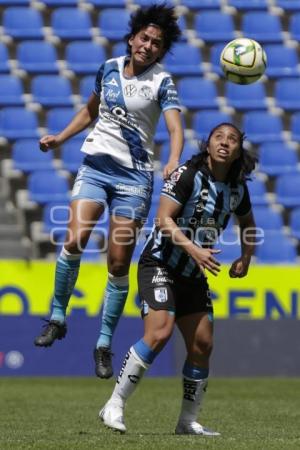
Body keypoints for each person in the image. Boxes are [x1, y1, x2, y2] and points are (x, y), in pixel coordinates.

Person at [34, 3, 183, 380]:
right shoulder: (109, 69)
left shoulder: (162, 82)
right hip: (95, 168)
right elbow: (90, 110)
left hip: (133, 180)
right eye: (144, 38)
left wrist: (173, 159)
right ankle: (56, 316)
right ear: (132, 38)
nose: (148, 46)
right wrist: (60, 137)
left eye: (157, 43)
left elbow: (175, 128)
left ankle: (103, 343)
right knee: (74, 240)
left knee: (117, 263)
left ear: (162, 51)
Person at [99, 123, 256, 435]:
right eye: (218, 137)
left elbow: (248, 223)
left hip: (192, 274)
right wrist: (195, 249)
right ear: (207, 144)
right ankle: (114, 404)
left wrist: (246, 257)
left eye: (232, 139)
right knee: (159, 332)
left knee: (202, 343)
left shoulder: (237, 187)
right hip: (159, 262)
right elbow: (163, 220)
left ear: (239, 149)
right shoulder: (188, 174)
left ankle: (187, 422)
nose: (225, 143)